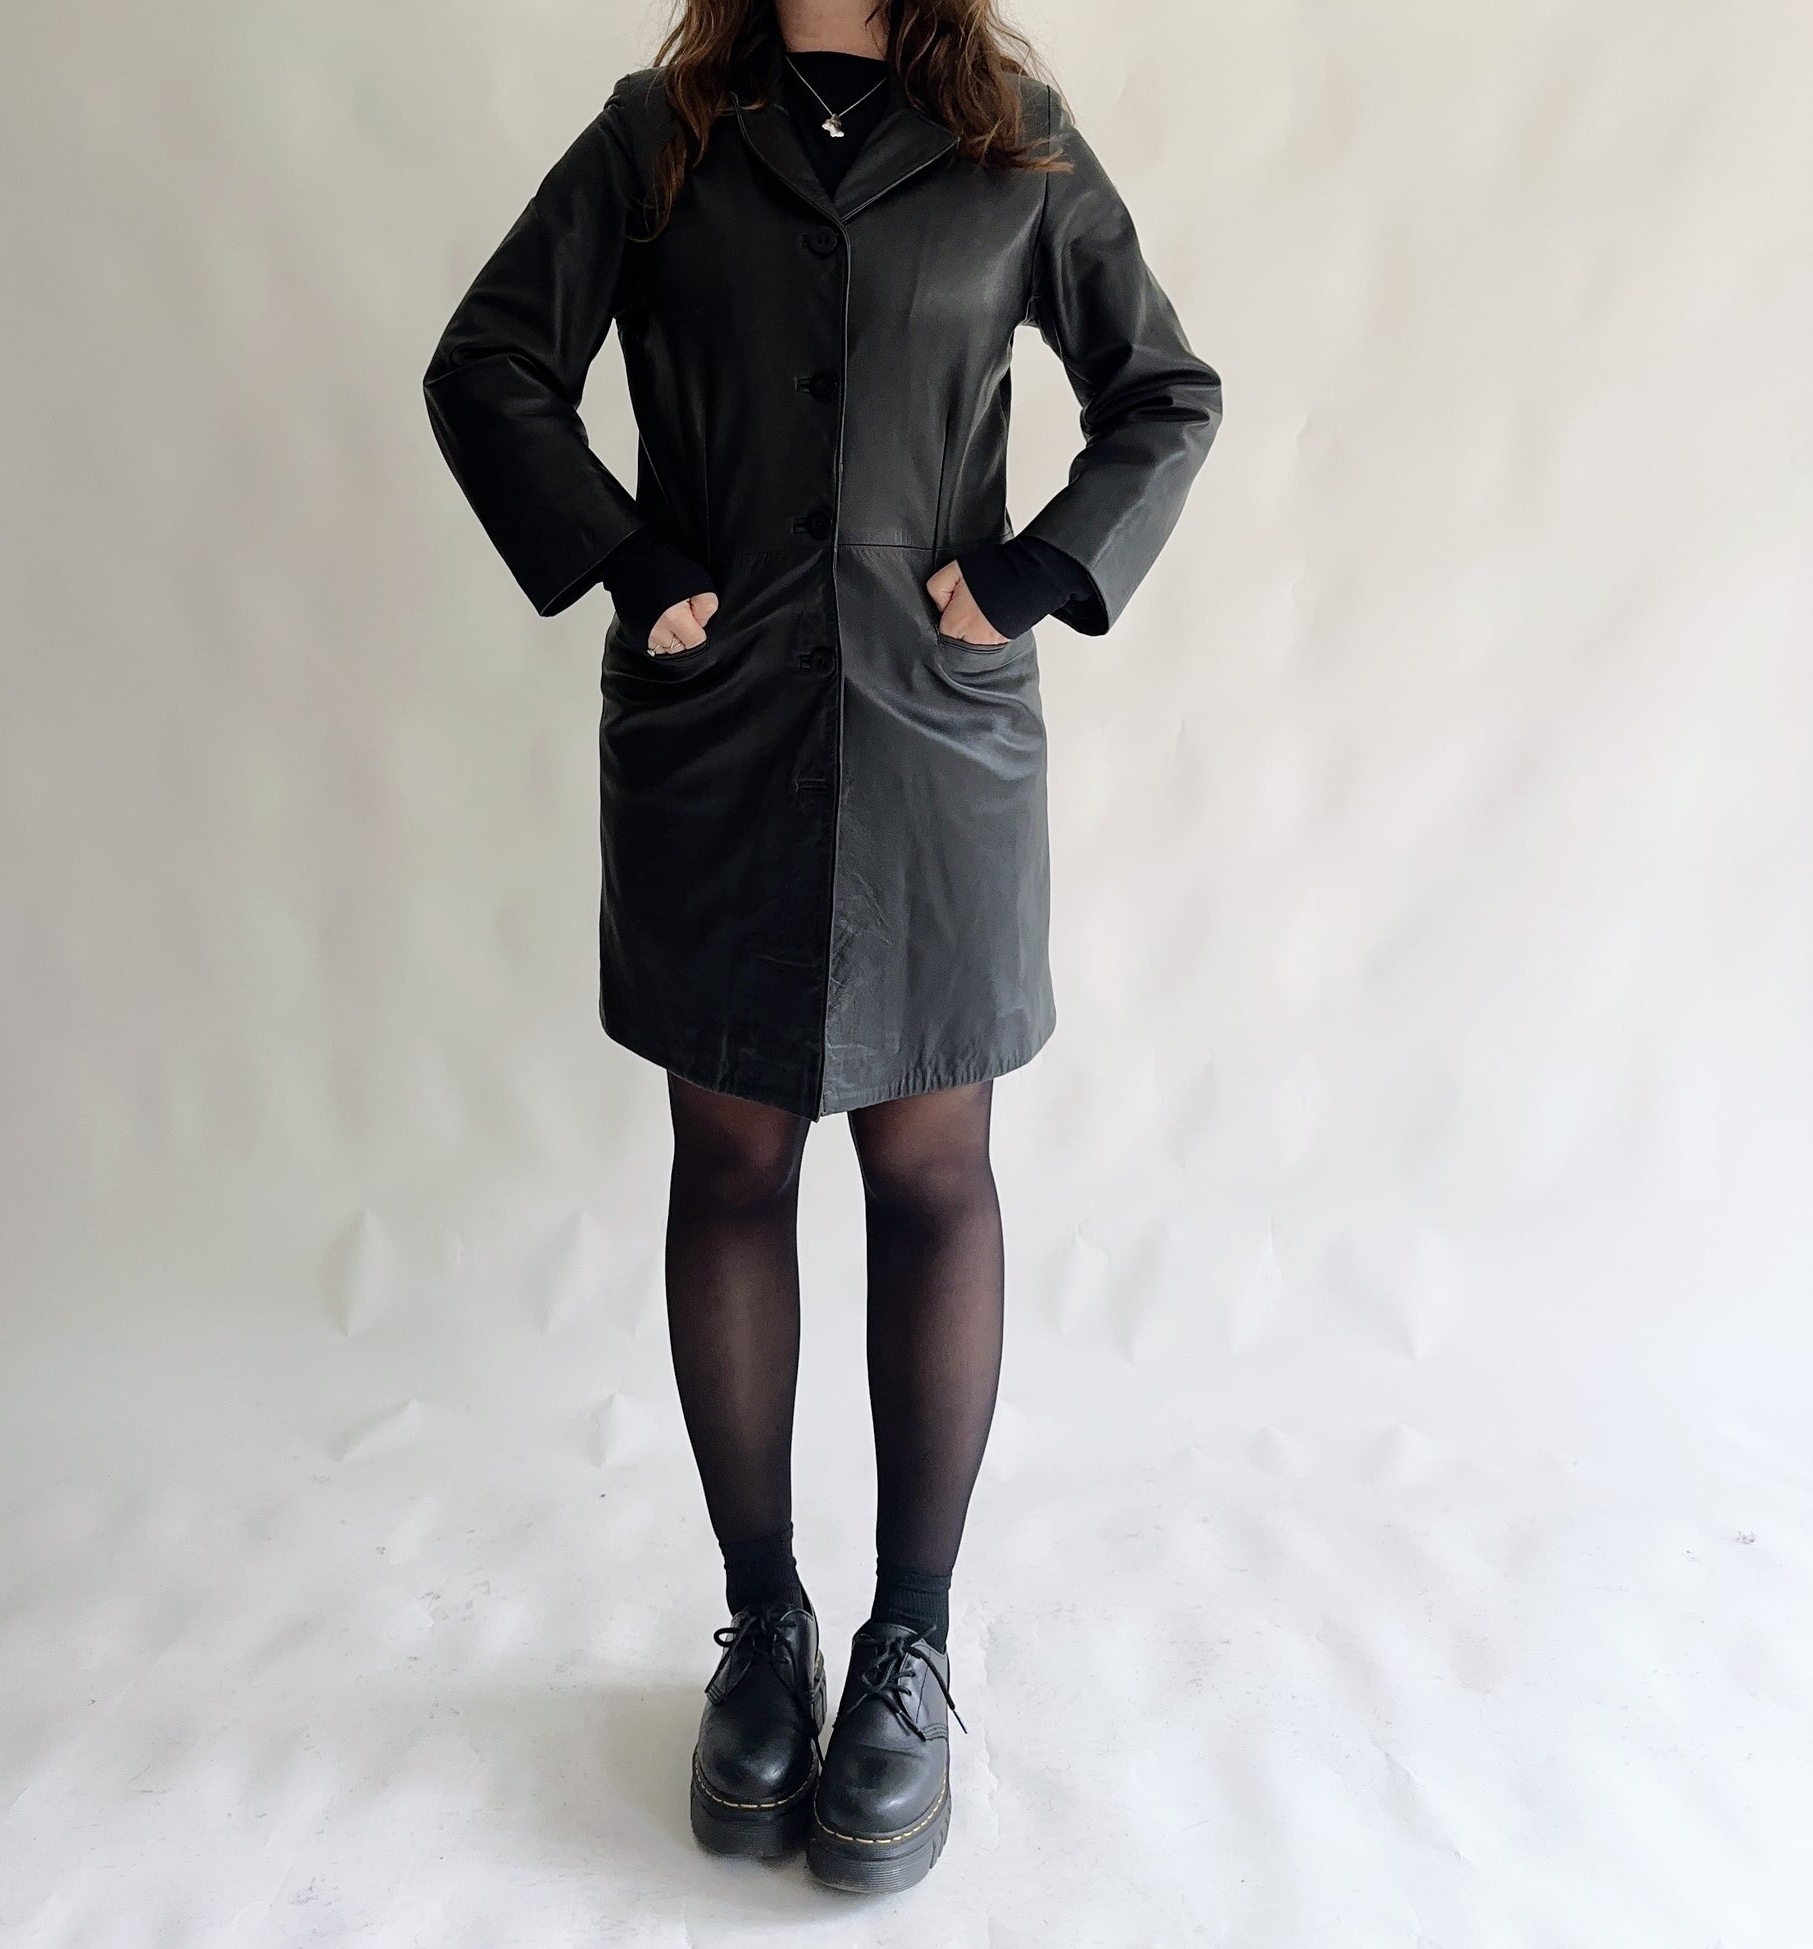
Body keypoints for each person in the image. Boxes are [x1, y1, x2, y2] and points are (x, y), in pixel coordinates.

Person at [422, 0, 1220, 1894]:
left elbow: (1162, 391)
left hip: (939, 736)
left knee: (931, 1172)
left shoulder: (1014, 141)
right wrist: (629, 556)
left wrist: (1032, 567)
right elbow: (487, 363)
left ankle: (909, 1646)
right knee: (730, 1162)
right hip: (717, 727)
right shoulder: (660, 135)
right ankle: (763, 1626)